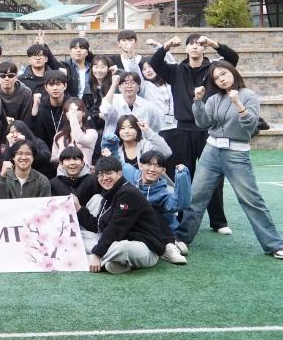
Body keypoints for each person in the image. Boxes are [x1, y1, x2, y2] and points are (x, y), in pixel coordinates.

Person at [176, 62, 283, 260]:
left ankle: (274, 244)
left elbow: (250, 126)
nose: (221, 79)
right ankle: (181, 238)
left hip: (237, 154)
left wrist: (238, 104)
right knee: (195, 198)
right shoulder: (213, 98)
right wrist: (197, 102)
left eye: (224, 74)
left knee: (252, 200)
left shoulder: (248, 95)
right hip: (211, 151)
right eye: (216, 78)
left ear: (233, 72)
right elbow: (203, 123)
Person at [151, 33, 239, 235]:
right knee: (183, 174)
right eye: (191, 43)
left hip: (209, 130)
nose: (195, 47)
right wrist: (167, 45)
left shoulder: (214, 70)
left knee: (214, 176)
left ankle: (218, 221)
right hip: (183, 129)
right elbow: (155, 63)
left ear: (204, 48)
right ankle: (181, 218)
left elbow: (233, 59)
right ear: (186, 48)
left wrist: (213, 42)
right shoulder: (175, 70)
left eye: (199, 44)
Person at [75, 156, 170, 274]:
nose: (104, 178)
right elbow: (98, 226)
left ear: (119, 174)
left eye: (108, 173)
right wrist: (79, 209)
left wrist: (97, 254)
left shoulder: (128, 193)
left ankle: (91, 259)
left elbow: (116, 228)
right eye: (100, 175)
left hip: (144, 247)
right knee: (79, 236)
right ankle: (115, 263)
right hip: (117, 241)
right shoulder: (109, 193)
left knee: (121, 248)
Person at [119, 151, 191, 235]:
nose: (152, 169)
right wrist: (110, 145)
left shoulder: (165, 193)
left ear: (163, 170)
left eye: (158, 166)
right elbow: (117, 162)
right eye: (149, 164)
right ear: (141, 165)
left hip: (160, 234)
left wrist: (182, 175)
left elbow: (181, 204)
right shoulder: (130, 174)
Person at [100, 71, 163, 136]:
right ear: (119, 87)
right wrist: (113, 84)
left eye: (133, 83)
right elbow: (104, 110)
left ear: (138, 87)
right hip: (114, 140)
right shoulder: (111, 100)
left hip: (140, 141)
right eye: (125, 83)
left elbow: (155, 128)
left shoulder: (148, 106)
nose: (129, 86)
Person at [100, 115, 172, 169]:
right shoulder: (115, 150)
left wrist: (148, 132)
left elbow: (166, 152)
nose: (127, 131)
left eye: (131, 127)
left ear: (137, 130)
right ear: (118, 131)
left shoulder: (147, 146)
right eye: (122, 128)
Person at [19, 32, 75, 97]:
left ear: (46, 59)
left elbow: (56, 65)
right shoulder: (21, 80)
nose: (38, 58)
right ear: (29, 59)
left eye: (40, 55)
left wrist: (43, 45)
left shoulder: (55, 76)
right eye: (34, 55)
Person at [50, 97, 98, 169]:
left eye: (77, 110)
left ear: (84, 113)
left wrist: (73, 117)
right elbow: (52, 160)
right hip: (63, 173)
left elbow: (79, 139)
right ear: (66, 115)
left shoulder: (91, 133)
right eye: (70, 110)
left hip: (83, 173)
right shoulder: (59, 136)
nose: (73, 112)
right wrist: (62, 156)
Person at [28, 70, 70, 148]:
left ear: (65, 86)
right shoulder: (41, 106)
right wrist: (34, 113)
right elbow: (36, 134)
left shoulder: (72, 105)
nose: (55, 88)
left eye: (58, 84)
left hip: (68, 149)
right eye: (51, 85)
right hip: (46, 149)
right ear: (46, 87)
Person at [65, 36, 94, 101]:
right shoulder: (64, 66)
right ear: (70, 52)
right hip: (69, 103)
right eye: (75, 48)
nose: (78, 50)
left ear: (87, 52)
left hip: (89, 104)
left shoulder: (93, 68)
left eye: (82, 48)